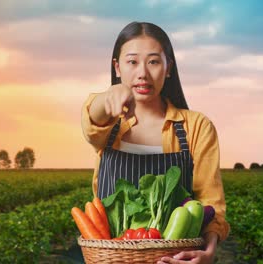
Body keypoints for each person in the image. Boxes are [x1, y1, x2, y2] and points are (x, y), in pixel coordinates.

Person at [81, 21, 230, 264]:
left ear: (168, 67)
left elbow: (210, 202)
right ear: (117, 68)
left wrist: (209, 251)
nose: (142, 73)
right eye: (132, 62)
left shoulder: (196, 127)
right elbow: (90, 122)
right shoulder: (109, 125)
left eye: (153, 61)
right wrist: (107, 97)